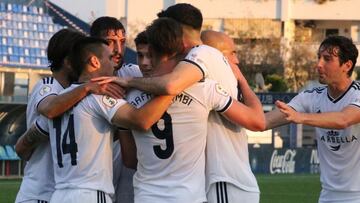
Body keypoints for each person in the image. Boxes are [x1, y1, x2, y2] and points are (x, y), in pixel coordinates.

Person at [101, 17, 264, 203]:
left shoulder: (129, 97)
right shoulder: (205, 89)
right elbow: (257, 121)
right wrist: (242, 80)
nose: (144, 62)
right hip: (189, 197)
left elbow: (130, 161)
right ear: (182, 50)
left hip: (147, 196)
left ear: (152, 52)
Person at [17, 37, 174, 203]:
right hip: (90, 193)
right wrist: (172, 88)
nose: (114, 65)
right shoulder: (98, 97)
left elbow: (22, 146)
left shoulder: (61, 100)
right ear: (94, 61)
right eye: (108, 58)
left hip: (59, 194)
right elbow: (142, 119)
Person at [15, 29, 121, 203]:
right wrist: (87, 87)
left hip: (60, 193)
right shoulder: (48, 86)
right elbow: (50, 110)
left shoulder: (78, 95)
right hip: (40, 192)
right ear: (68, 62)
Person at [265, 35, 360, 203]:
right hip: (327, 196)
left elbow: (344, 119)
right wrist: (226, 103)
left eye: (327, 59)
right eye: (319, 58)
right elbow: (263, 122)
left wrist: (301, 117)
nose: (319, 64)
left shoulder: (357, 95)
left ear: (347, 65)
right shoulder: (311, 97)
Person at [201, 30, 261, 203]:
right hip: (225, 181)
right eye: (232, 53)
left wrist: (241, 80)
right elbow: (259, 121)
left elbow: (259, 120)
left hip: (229, 183)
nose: (237, 60)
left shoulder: (226, 85)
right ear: (215, 55)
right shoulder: (213, 83)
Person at [90, 16, 140, 203]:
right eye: (110, 42)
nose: (119, 50)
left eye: (122, 42)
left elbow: (163, 81)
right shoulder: (81, 84)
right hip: (96, 168)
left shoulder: (133, 73)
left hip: (130, 166)